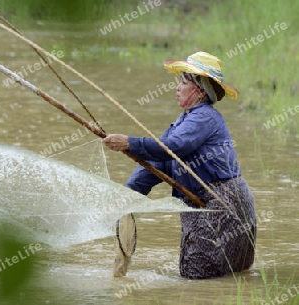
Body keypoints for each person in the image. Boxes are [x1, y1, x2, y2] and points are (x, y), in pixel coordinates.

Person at [103, 51, 256, 279]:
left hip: (223, 205)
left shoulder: (205, 117)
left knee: (198, 274)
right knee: (203, 277)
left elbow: (173, 147)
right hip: (200, 205)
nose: (177, 88)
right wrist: (130, 194)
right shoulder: (182, 122)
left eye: (184, 82)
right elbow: (159, 161)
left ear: (200, 91)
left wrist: (130, 142)